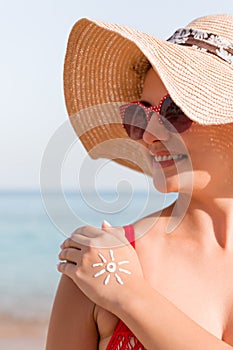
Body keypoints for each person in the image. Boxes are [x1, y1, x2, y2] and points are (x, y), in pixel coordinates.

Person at [46, 14, 233, 349]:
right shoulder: (96, 261)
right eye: (140, 115)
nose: (150, 135)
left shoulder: (109, 273)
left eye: (175, 110)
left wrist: (131, 297)